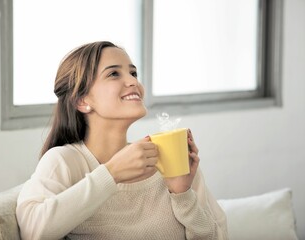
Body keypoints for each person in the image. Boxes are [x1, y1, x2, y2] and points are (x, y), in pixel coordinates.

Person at [16, 41, 228, 240]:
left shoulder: (172, 160)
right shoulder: (65, 160)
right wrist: (111, 173)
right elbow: (33, 231)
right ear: (82, 101)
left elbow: (218, 235)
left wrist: (182, 194)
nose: (133, 81)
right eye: (114, 74)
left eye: (133, 73)